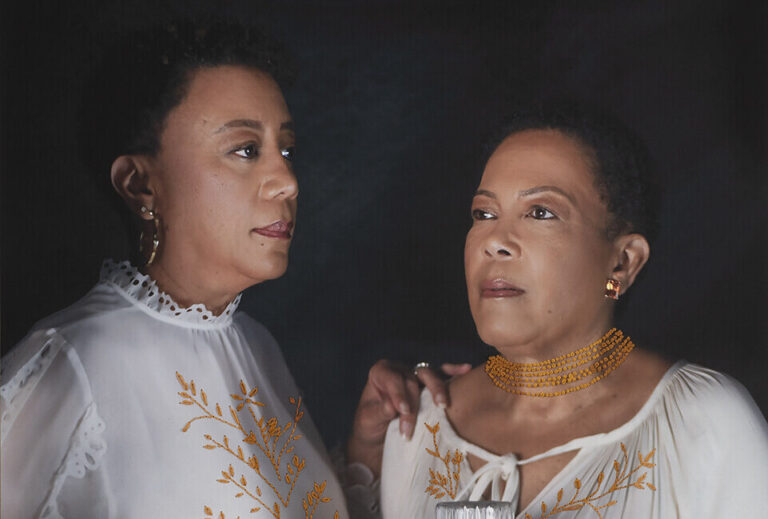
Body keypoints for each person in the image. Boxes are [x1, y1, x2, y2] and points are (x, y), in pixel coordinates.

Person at [0, 20, 457, 519]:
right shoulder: (71, 364)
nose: (287, 181)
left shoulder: (256, 344)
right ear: (140, 185)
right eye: (245, 150)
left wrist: (366, 446)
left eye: (285, 150)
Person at [379, 105, 768, 518]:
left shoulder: (703, 422)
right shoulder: (418, 427)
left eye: (540, 213)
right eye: (484, 214)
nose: (495, 241)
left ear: (622, 262)